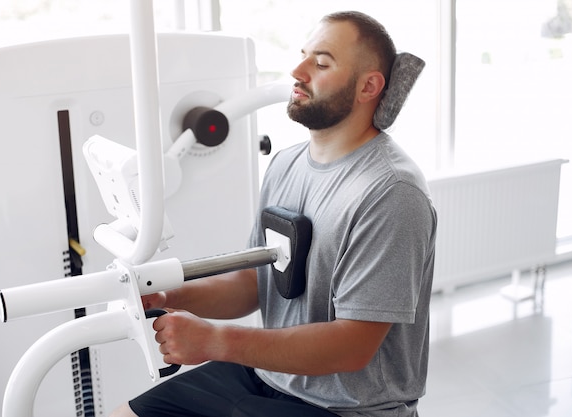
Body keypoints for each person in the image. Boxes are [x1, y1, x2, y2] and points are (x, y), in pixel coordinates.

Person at [111, 10, 436, 417]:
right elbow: (254, 283)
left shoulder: (391, 192)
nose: (298, 71)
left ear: (369, 86)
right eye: (303, 56)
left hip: (347, 408)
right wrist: (171, 297)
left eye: (321, 63)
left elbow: (353, 346)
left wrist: (215, 340)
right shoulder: (285, 164)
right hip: (267, 376)